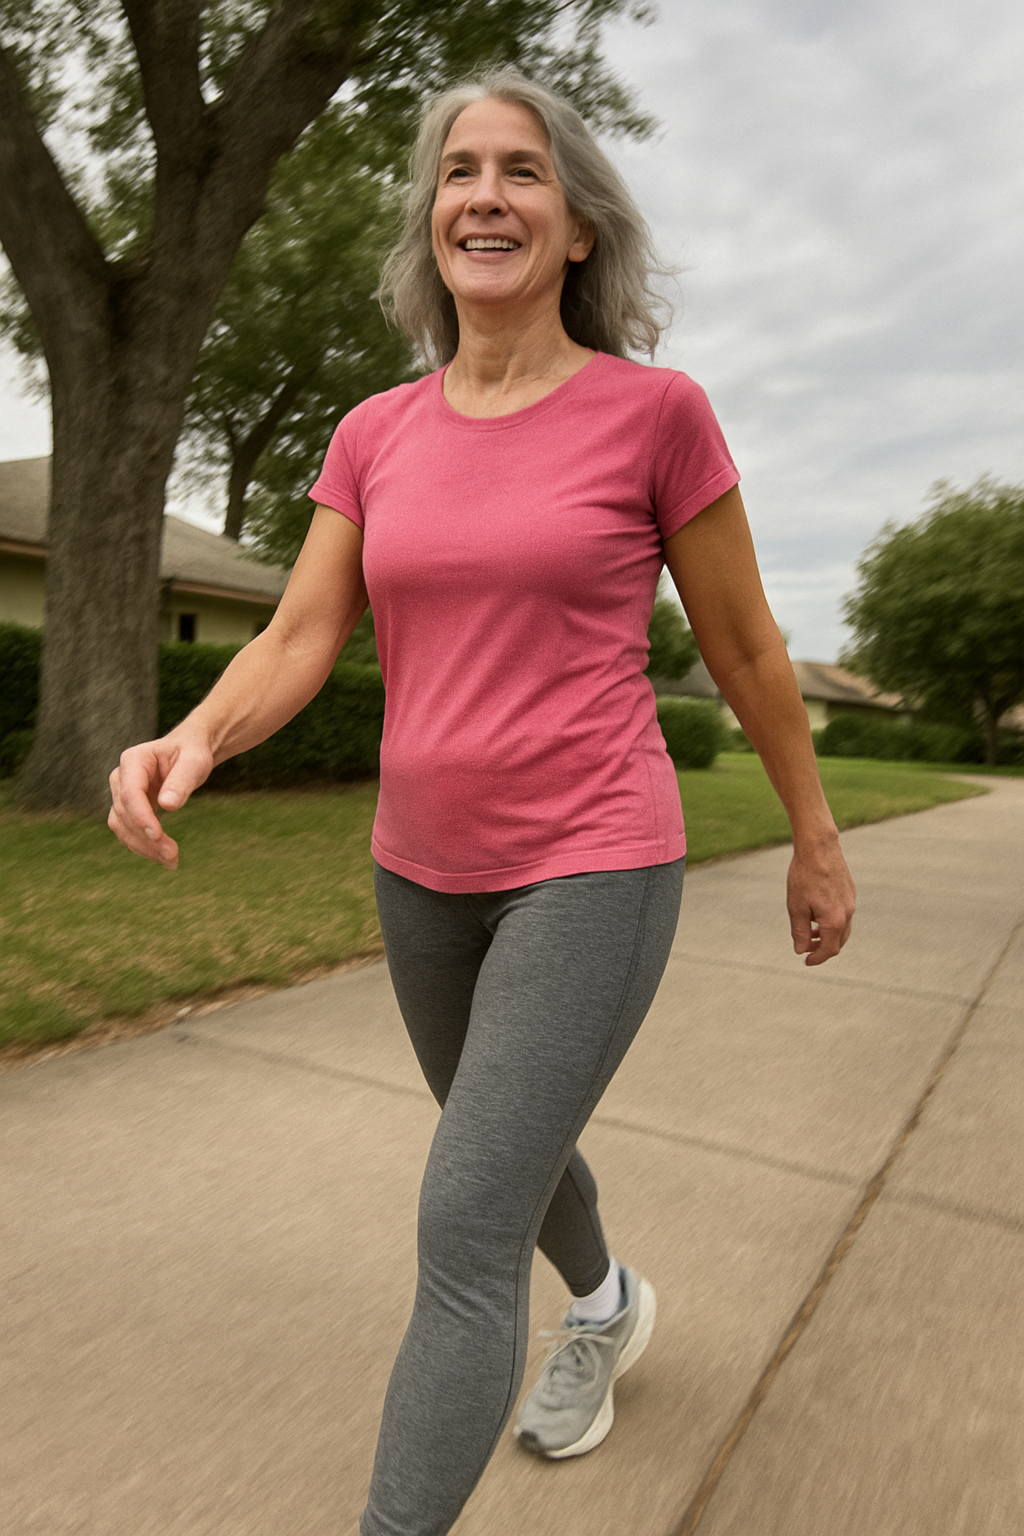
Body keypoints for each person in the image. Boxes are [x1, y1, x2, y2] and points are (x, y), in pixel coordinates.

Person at [108, 68, 856, 1536]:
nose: (486, 196)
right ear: (431, 218)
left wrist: (814, 837)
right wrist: (191, 740)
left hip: (592, 859)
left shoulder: (656, 415)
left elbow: (746, 645)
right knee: (502, 1143)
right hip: (420, 872)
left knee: (463, 1217)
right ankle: (610, 1304)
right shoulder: (375, 433)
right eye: (460, 172)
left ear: (577, 227)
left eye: (523, 171)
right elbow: (299, 636)